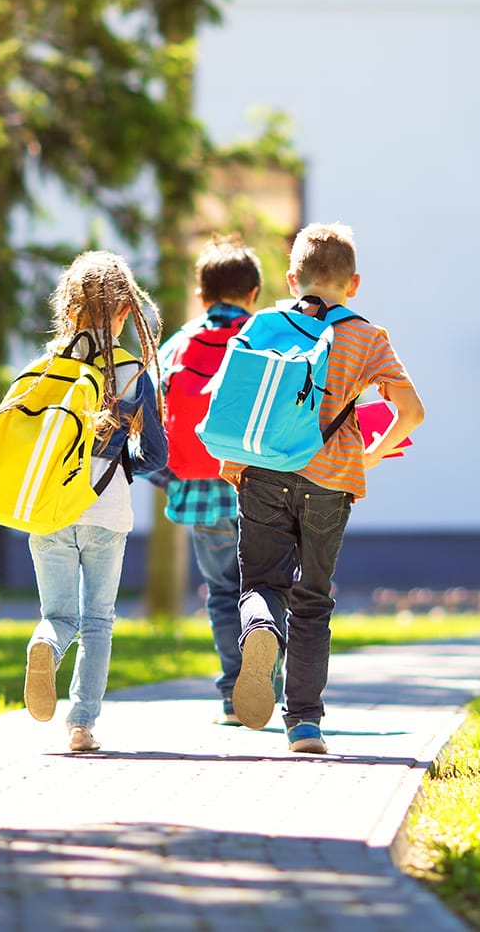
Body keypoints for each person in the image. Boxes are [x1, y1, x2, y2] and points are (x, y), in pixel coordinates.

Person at [220, 223, 424, 753]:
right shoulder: (368, 336)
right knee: (312, 600)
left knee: (261, 584)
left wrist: (234, 464)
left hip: (262, 473)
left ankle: (260, 629)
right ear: (353, 284)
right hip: (331, 482)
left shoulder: (262, 324)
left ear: (292, 279)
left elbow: (234, 399)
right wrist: (372, 454)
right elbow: (412, 412)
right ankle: (305, 725)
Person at [0, 250, 167, 752]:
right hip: (107, 509)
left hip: (47, 509)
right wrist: (122, 464)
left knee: (58, 616)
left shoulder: (41, 371)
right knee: (98, 622)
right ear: (127, 312)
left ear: (66, 311)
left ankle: (44, 644)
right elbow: (156, 452)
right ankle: (82, 725)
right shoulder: (131, 373)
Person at [152, 236, 283, 725]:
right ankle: (272, 688)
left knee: (223, 591)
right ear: (253, 294)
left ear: (201, 295)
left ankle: (234, 696)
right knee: (268, 586)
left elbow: (153, 420)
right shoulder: (272, 337)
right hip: (264, 487)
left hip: (201, 491)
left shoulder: (178, 345)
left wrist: (171, 478)